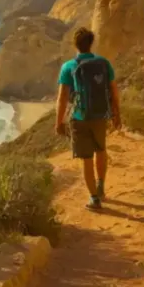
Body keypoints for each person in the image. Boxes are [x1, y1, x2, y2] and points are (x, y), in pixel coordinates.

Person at [55, 27, 121, 210]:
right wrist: (117, 114)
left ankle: (94, 198)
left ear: (75, 44)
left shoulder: (68, 66)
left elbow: (62, 98)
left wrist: (58, 122)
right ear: (91, 43)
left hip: (79, 117)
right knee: (101, 150)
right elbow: (114, 90)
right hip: (100, 115)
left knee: (86, 158)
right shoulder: (104, 63)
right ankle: (101, 184)